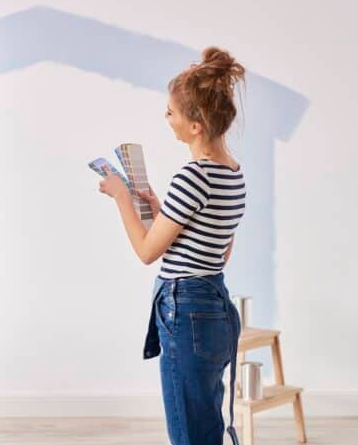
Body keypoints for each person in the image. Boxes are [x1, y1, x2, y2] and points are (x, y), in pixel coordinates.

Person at [98, 47, 247, 445]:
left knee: (187, 431)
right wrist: (163, 210)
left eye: (171, 113)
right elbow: (217, 247)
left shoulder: (192, 176)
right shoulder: (233, 174)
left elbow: (148, 252)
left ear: (196, 125)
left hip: (187, 309)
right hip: (215, 304)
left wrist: (121, 197)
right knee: (205, 423)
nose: (168, 120)